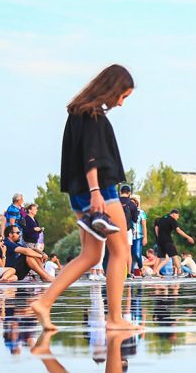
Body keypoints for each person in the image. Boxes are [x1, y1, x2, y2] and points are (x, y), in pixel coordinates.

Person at [31, 64, 138, 332]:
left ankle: (44, 303)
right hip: (100, 190)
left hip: (79, 193)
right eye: (122, 96)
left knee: (91, 255)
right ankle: (114, 318)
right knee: (120, 251)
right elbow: (92, 157)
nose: (121, 103)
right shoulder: (92, 114)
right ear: (112, 88)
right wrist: (96, 192)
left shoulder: (77, 112)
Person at [154, 209, 194, 278]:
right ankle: (179, 272)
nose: (177, 218)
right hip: (167, 241)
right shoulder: (172, 219)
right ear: (173, 214)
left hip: (160, 241)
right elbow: (178, 230)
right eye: (177, 216)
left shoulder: (162, 218)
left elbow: (156, 228)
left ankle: (155, 272)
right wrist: (188, 237)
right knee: (174, 255)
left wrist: (159, 238)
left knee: (160, 257)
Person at [130, 197, 147, 275]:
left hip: (138, 236)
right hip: (129, 235)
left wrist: (145, 237)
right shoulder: (127, 212)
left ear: (136, 204)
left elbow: (144, 225)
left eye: (134, 203)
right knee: (130, 255)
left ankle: (141, 267)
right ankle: (131, 272)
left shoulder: (141, 212)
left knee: (137, 254)